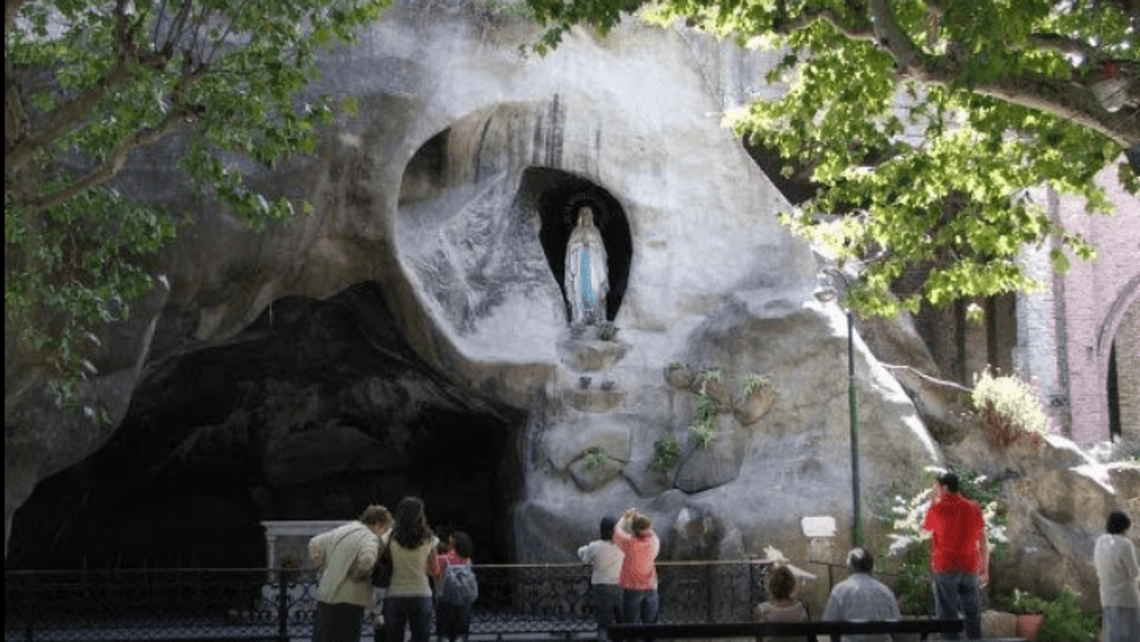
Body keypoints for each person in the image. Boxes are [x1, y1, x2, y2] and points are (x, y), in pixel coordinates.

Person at [309, 504, 393, 642]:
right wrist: (358, 574)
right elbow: (367, 560)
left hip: (326, 595)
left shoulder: (343, 530)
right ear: (379, 524)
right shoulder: (370, 538)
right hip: (351, 600)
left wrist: (321, 568)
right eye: (385, 529)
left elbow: (314, 544)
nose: (383, 534)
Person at [921, 470, 987, 641]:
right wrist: (984, 568)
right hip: (970, 567)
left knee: (947, 618)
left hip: (946, 567)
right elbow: (983, 541)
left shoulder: (936, 508)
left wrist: (934, 501)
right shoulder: (974, 508)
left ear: (943, 487)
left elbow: (924, 531)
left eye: (937, 487)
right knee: (972, 616)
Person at [384, 497, 441, 642]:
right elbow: (434, 570)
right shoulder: (429, 538)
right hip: (421, 594)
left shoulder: (389, 537)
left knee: (394, 638)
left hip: (394, 594)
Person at [821, 548, 900, 642]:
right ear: (871, 566)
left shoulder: (840, 590)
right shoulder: (885, 591)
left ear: (850, 566)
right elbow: (897, 622)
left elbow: (828, 623)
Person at [1094, 510, 1140, 642]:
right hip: (1126, 598)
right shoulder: (1125, 544)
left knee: (1112, 635)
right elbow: (1134, 572)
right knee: (1129, 636)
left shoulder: (1100, 542)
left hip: (1107, 597)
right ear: (1124, 527)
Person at [578, 516, 625, 642]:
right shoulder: (622, 547)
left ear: (602, 530)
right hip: (620, 587)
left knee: (603, 625)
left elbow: (585, 560)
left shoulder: (594, 546)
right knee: (621, 624)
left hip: (601, 588)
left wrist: (582, 550)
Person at [612, 507, 660, 628]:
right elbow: (650, 531)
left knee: (632, 625)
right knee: (650, 626)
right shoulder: (653, 542)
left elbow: (616, 531)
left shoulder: (629, 542)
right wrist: (638, 517)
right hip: (650, 587)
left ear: (634, 530)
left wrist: (625, 518)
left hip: (632, 588)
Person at [564, 206, 609, 326]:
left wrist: (591, 245)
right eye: (584, 215)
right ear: (580, 217)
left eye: (589, 215)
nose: (587, 217)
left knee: (595, 289)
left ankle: (595, 319)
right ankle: (580, 319)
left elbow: (602, 252)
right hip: (579, 267)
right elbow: (570, 252)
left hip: (594, 267)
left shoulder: (596, 232)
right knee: (580, 292)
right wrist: (580, 244)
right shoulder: (575, 232)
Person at [436, 531, 479, 642]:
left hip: (444, 600)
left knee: (444, 635)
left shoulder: (442, 559)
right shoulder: (467, 560)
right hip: (463, 601)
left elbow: (436, 577)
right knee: (461, 635)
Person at [751, 563, 808, 642]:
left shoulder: (762, 611)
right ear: (792, 585)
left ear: (771, 585)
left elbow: (759, 639)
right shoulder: (801, 609)